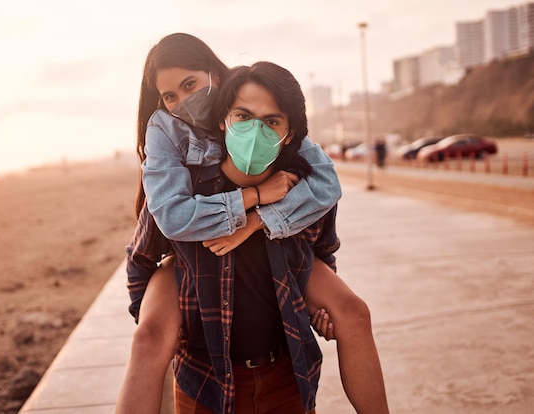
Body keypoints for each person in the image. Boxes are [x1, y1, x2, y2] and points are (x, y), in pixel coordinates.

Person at [117, 34, 388, 414]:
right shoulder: (181, 177)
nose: (182, 102)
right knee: (149, 338)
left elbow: (323, 244)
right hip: (207, 383)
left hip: (286, 374)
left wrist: (314, 306)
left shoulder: (297, 178)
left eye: (190, 85)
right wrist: (151, 316)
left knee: (354, 313)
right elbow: (148, 247)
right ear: (227, 119)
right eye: (243, 118)